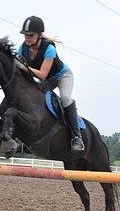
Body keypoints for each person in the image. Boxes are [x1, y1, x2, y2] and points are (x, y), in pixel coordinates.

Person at [16, 15, 84, 151]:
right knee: (33, 99)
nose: (27, 38)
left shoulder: (49, 49)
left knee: (64, 98)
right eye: (25, 35)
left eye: (30, 35)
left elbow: (42, 74)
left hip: (62, 76)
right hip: (46, 81)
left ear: (39, 35)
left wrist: (23, 67)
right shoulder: (22, 49)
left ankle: (77, 137)